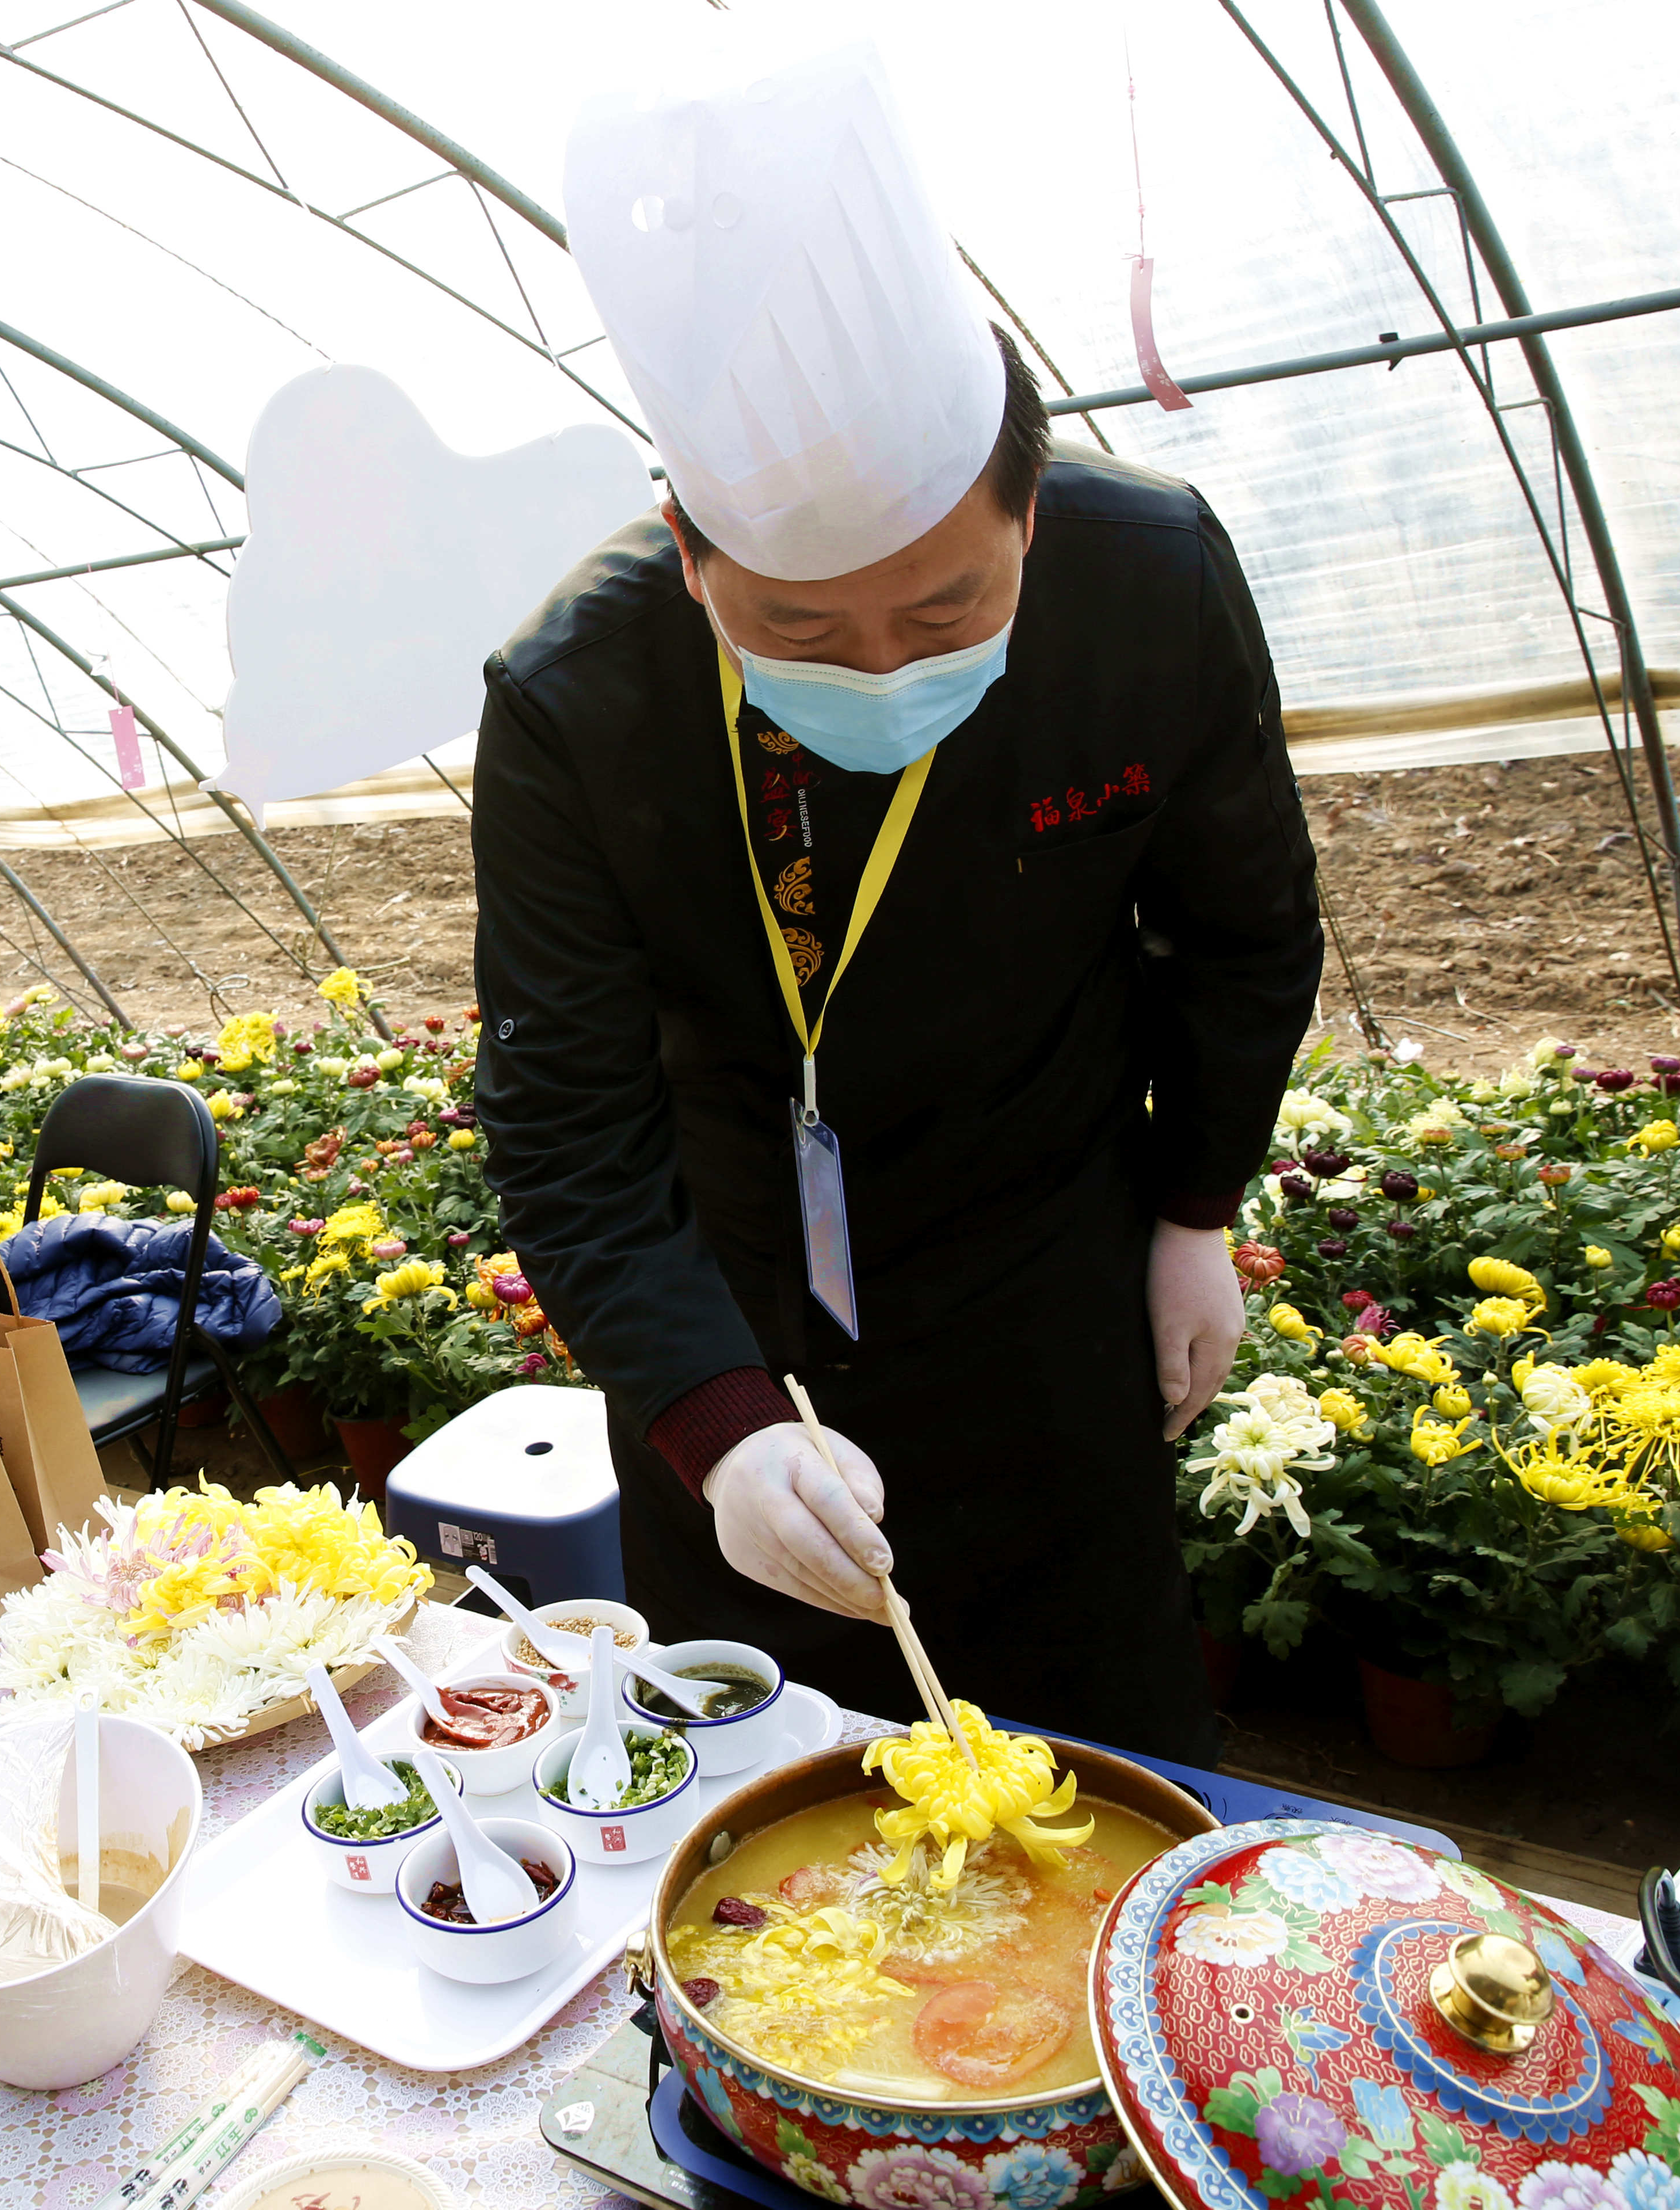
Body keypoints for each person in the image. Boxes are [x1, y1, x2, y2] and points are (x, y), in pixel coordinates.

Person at [471, 48, 1322, 1763]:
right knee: (768, 1800)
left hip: (1046, 1260)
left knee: (1102, 1766)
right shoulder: (578, 695)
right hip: (737, 1288)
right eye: (796, 630)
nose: (876, 666)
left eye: (944, 614)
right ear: (692, 552)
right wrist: (719, 1431)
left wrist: (1194, 1204)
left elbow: (1241, 931)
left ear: (1028, 505)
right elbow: (566, 1117)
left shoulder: (1148, 584)